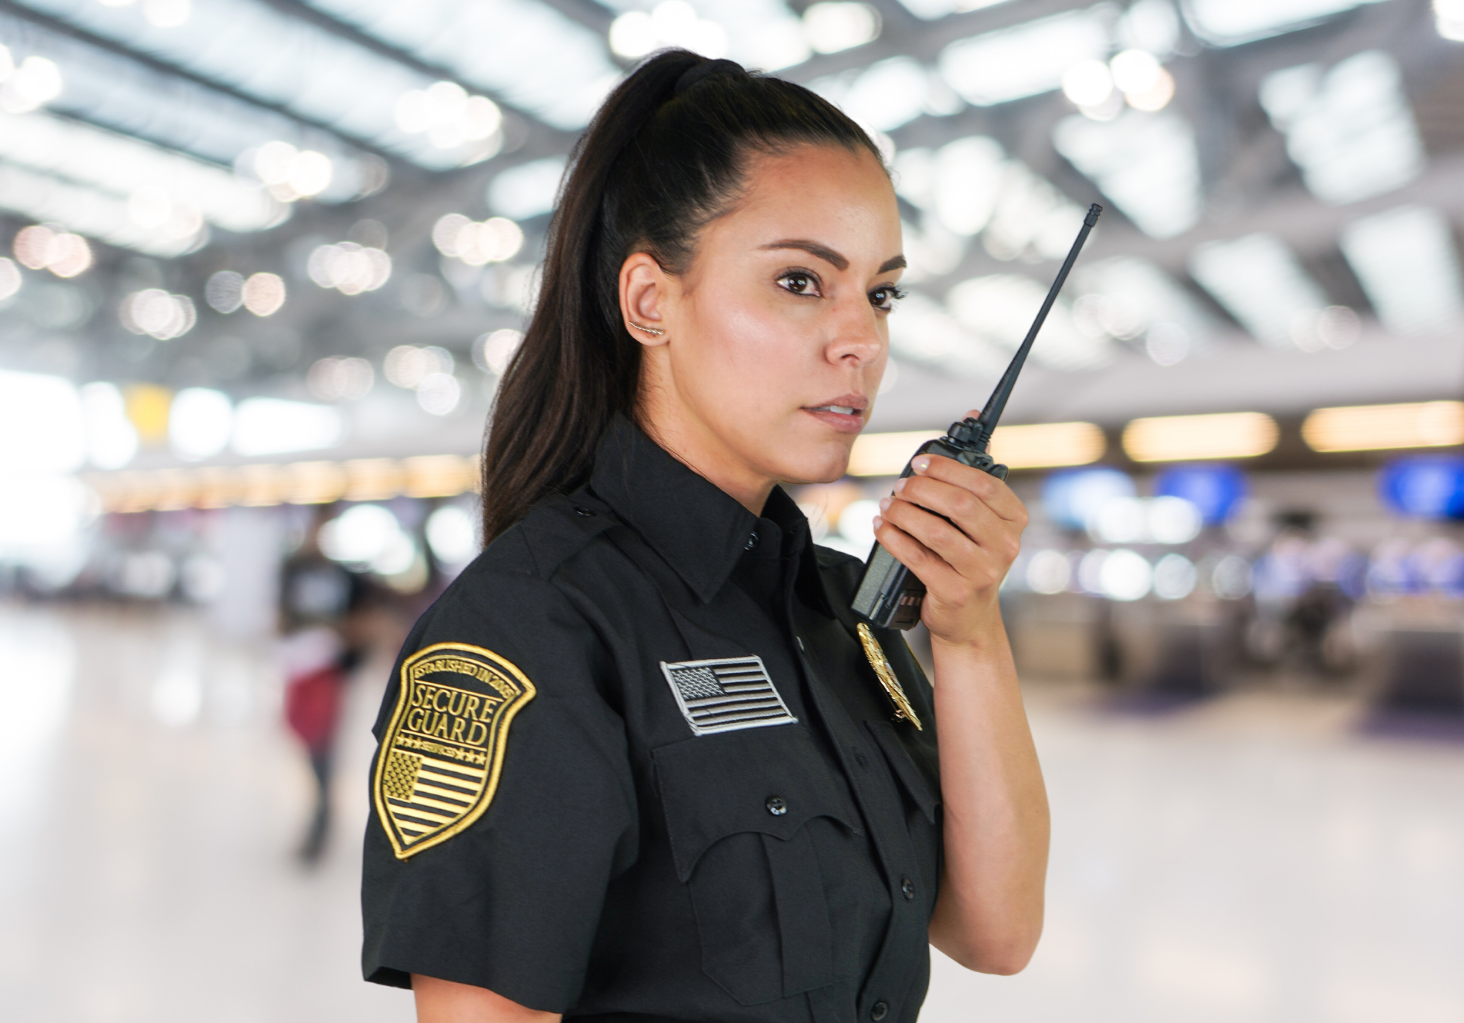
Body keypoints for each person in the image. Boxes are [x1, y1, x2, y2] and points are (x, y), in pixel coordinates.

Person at [361, 50, 1050, 1023]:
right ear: (650, 301)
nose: (861, 339)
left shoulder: (838, 613)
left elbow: (998, 931)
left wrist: (970, 628)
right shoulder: (534, 631)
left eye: (882, 292)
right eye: (803, 281)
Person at [279, 505, 369, 863]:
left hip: (330, 673)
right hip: (299, 667)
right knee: (305, 738)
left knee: (324, 750)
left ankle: (322, 820)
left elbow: (365, 621)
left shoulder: (347, 577)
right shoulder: (293, 570)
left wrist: (342, 637)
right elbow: (281, 618)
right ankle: (321, 813)